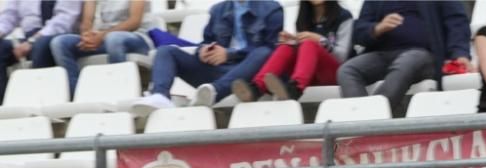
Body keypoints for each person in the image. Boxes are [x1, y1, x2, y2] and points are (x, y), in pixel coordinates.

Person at [132, 0, 282, 113]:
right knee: (166, 51)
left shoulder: (272, 9)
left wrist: (229, 54)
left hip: (249, 76)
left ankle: (214, 92)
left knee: (264, 52)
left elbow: (273, 50)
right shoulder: (218, 10)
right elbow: (207, 42)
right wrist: (203, 51)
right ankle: (160, 95)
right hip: (218, 71)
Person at [337, 0, 471, 117]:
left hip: (425, 55)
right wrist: (377, 28)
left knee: (408, 61)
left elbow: (456, 21)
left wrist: (459, 53)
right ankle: (362, 122)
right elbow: (359, 31)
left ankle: (371, 120)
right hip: (383, 54)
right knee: (348, 70)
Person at [232, 0, 353, 102]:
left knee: (309, 44)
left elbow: (342, 57)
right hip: (308, 74)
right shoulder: (303, 18)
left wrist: (321, 41)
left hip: (332, 74)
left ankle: (294, 89)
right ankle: (257, 88)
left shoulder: (343, 16)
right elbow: (303, 54)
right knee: (285, 47)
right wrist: (293, 41)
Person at [50, 0, 155, 94]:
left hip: (137, 38)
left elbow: (134, 22)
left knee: (114, 39)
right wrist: (87, 36)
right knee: (59, 43)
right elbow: (87, 21)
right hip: (105, 37)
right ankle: (77, 94)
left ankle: (121, 91)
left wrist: (102, 36)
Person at [0, 0, 81, 102]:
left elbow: (64, 20)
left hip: (58, 35)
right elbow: (8, 17)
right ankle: (3, 104)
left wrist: (32, 41)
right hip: (28, 36)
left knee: (41, 45)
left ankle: (42, 100)